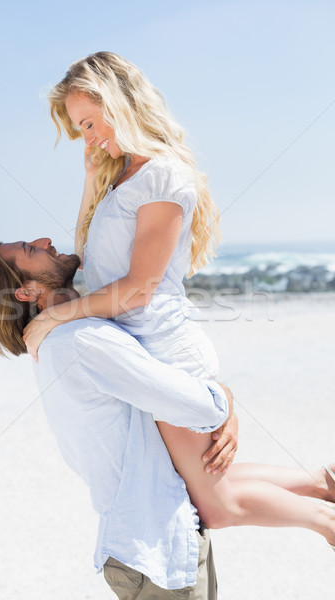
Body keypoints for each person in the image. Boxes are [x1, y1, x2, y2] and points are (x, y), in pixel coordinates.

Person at [22, 52, 335, 550]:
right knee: (198, 483)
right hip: (143, 349)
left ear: (118, 103)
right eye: (79, 129)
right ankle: (324, 485)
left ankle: (325, 517)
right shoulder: (121, 177)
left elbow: (139, 286)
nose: (89, 138)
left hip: (166, 347)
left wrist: (55, 315)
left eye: (88, 123)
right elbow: (87, 261)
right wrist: (88, 180)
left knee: (217, 504)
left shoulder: (161, 175)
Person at [0, 238, 236, 599]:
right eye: (30, 249)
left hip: (149, 547)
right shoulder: (80, 340)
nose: (45, 240)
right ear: (27, 291)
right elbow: (203, 409)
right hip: (156, 554)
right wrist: (227, 398)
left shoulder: (57, 341)